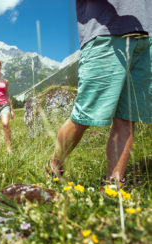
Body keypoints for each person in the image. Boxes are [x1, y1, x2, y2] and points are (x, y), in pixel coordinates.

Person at [46, 0, 152, 183]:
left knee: (128, 116)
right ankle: (54, 167)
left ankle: (114, 185)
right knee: (84, 116)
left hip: (147, 37)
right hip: (106, 33)